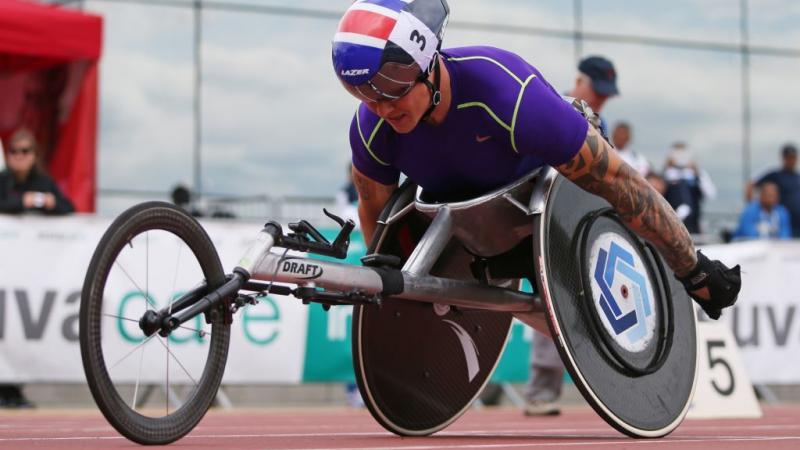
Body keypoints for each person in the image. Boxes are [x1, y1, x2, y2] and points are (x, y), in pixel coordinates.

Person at [332, 0, 740, 417]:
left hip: (550, 206)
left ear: (427, 65)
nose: (381, 107)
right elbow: (378, 221)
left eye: (392, 91)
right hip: (467, 228)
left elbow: (620, 184)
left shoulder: (508, 94)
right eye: (364, 94)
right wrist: (396, 290)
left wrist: (692, 267)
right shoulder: (371, 128)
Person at [0, 128, 74, 215]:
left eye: (25, 151)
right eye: (13, 151)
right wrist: (22, 201)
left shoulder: (44, 181)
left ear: (34, 155)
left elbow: (69, 207)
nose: (18, 156)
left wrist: (52, 203)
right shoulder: (3, 180)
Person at [747, 143, 800, 237]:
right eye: (789, 157)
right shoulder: (775, 175)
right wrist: (753, 206)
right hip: (780, 223)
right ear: (783, 158)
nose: (791, 160)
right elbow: (751, 185)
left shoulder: (797, 177)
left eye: (793, 157)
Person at [662, 142, 716, 234]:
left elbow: (711, 195)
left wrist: (697, 174)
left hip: (693, 225)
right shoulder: (666, 175)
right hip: (670, 224)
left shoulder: (699, 175)